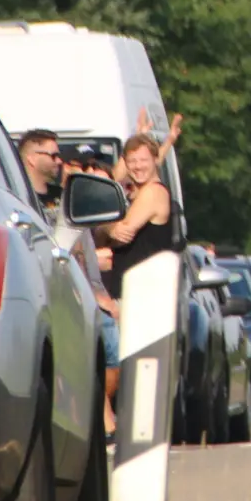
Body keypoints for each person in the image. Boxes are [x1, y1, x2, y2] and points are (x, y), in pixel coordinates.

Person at [95, 133, 179, 438]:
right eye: (132, 162)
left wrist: (103, 225)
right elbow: (108, 187)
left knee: (135, 360)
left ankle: (138, 428)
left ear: (155, 160)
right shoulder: (136, 191)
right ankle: (135, 426)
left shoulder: (153, 193)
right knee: (133, 361)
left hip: (142, 292)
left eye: (143, 160)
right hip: (134, 290)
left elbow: (123, 233)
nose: (137, 167)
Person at [17, 129, 63, 213]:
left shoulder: (62, 195)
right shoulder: (19, 197)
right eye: (53, 156)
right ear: (32, 159)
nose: (59, 161)